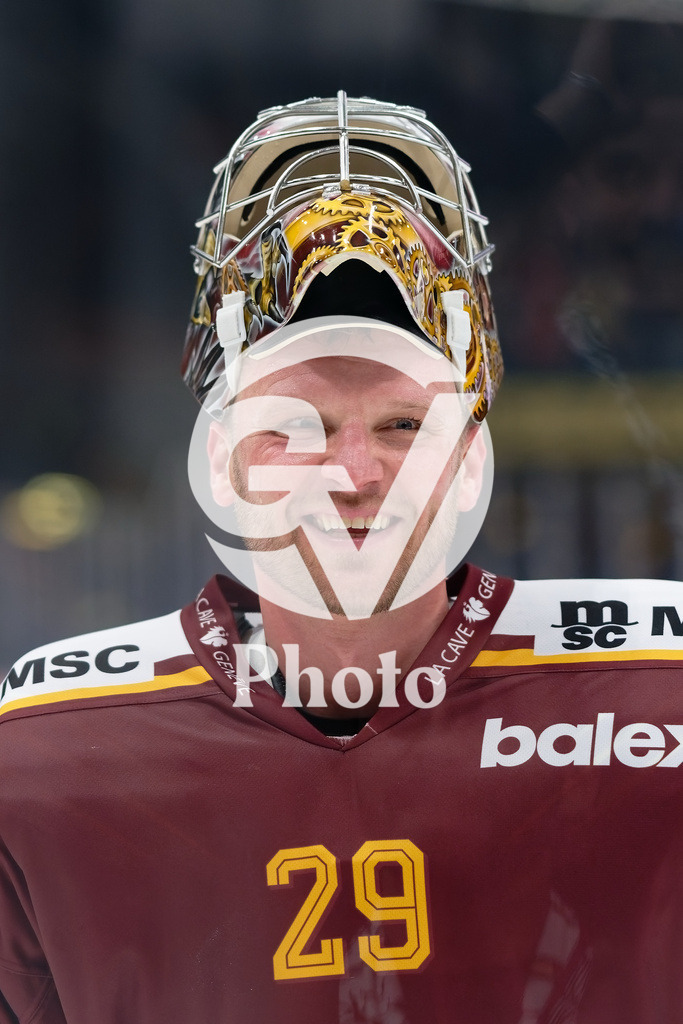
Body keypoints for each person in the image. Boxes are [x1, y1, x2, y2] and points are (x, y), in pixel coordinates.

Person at [1, 94, 683, 1024]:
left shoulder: (658, 696)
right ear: (220, 452)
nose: (355, 474)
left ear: (470, 449)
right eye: (300, 427)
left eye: (403, 424)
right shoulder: (42, 754)